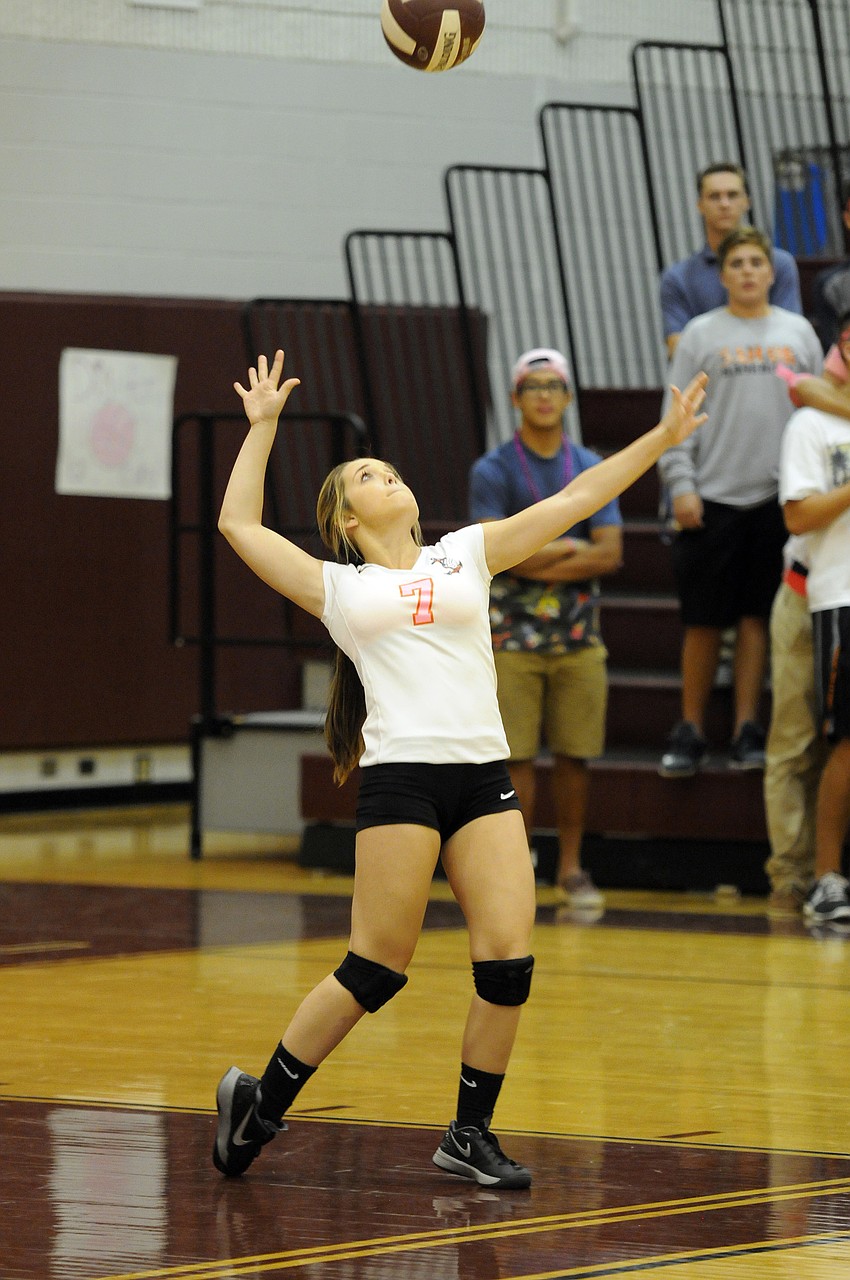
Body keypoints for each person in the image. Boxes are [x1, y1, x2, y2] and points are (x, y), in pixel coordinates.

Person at [212, 349, 707, 1187]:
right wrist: (261, 431)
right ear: (346, 517)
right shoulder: (338, 586)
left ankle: (468, 1133)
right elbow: (240, 528)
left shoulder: (466, 553)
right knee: (376, 968)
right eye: (370, 473)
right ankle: (260, 1104)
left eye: (390, 468)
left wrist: (660, 440)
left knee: (508, 961)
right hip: (402, 780)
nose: (389, 476)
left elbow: (577, 498)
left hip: (483, 779)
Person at [657, 227, 822, 779]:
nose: (749, 271)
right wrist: (681, 483)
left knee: (757, 619)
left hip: (780, 498)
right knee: (703, 621)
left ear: (772, 272)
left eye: (757, 262)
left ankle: (747, 727)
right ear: (722, 275)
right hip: (712, 496)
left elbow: (821, 410)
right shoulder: (702, 335)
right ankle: (690, 728)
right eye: (738, 264)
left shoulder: (799, 333)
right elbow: (675, 418)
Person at [468, 349, 623, 910]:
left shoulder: (587, 463)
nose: (542, 394)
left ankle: (572, 866)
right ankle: (520, 867)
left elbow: (610, 554)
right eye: (531, 386)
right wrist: (566, 545)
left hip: (579, 636)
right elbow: (495, 554)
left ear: (568, 397)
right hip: (511, 637)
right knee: (516, 758)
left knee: (576, 754)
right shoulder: (492, 469)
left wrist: (534, 548)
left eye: (553, 385)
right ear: (515, 398)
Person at [764, 327, 850, 917]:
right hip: (818, 594)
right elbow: (798, 514)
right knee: (811, 740)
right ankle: (801, 877)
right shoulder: (813, 418)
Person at [660, 161, 802, 359]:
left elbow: (792, 336)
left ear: (747, 201)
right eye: (714, 196)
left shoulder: (779, 263)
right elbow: (678, 349)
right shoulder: (677, 277)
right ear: (700, 204)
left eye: (732, 195)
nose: (724, 204)